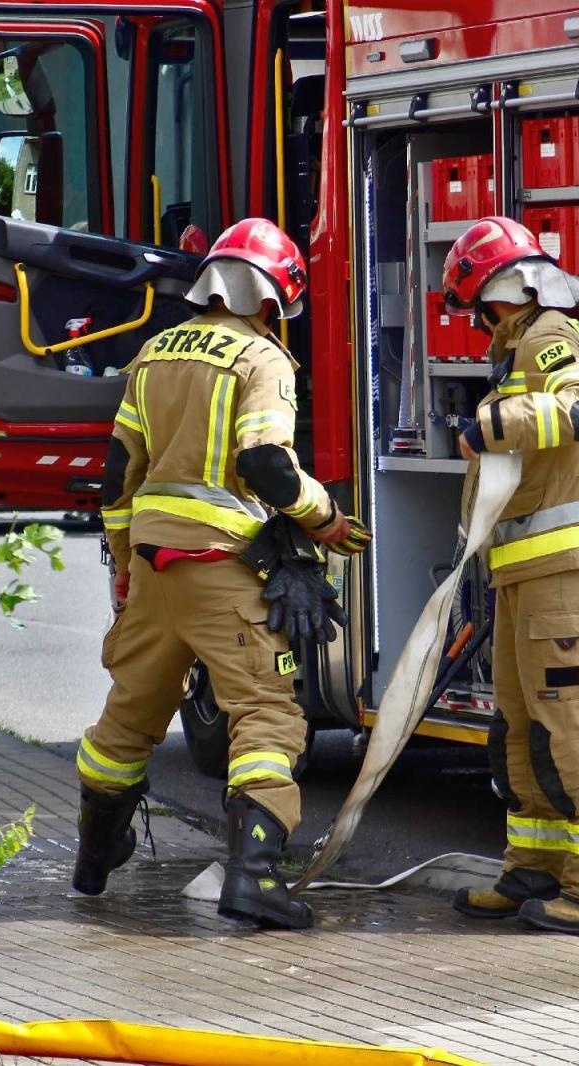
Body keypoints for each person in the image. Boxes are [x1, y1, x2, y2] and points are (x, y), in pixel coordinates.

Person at [72, 218, 368, 930]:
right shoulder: (261, 360)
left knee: (129, 718)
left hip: (152, 566)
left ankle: (93, 860)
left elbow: (118, 475)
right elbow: (265, 464)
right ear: (271, 300)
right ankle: (254, 878)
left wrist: (122, 565)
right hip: (223, 567)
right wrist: (323, 514)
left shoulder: (154, 352)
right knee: (267, 716)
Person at [442, 216, 579, 936]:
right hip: (527, 572)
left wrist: (491, 426)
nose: (478, 324)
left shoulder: (550, 334)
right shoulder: (523, 343)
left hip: (562, 570)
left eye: (478, 308)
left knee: (569, 723)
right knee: (522, 727)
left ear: (498, 292)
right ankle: (537, 866)